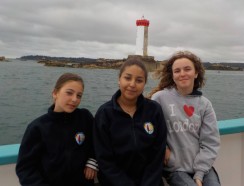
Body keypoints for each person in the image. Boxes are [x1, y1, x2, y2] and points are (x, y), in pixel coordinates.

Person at [148, 51, 221, 186]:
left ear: (196, 73)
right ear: (173, 75)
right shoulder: (159, 98)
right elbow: (149, 129)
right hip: (175, 169)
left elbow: (210, 142)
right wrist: (162, 146)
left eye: (187, 69)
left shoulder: (204, 104)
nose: (182, 74)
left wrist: (199, 173)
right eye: (177, 71)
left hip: (202, 167)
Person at [93, 58, 167, 186]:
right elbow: (104, 159)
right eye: (127, 78)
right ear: (119, 79)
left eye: (139, 80)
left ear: (144, 84)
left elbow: (157, 155)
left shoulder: (154, 110)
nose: (132, 84)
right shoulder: (105, 113)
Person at [16, 73, 98, 186]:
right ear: (55, 93)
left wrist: (92, 160)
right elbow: (25, 168)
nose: (74, 99)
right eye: (69, 93)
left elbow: (98, 140)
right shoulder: (37, 127)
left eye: (79, 95)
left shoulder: (85, 117)